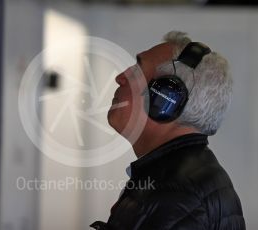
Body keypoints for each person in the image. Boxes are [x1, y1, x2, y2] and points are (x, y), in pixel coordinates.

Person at [90, 31, 245, 230]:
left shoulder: (175, 198)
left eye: (137, 70)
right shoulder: (189, 183)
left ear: (165, 99)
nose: (120, 78)